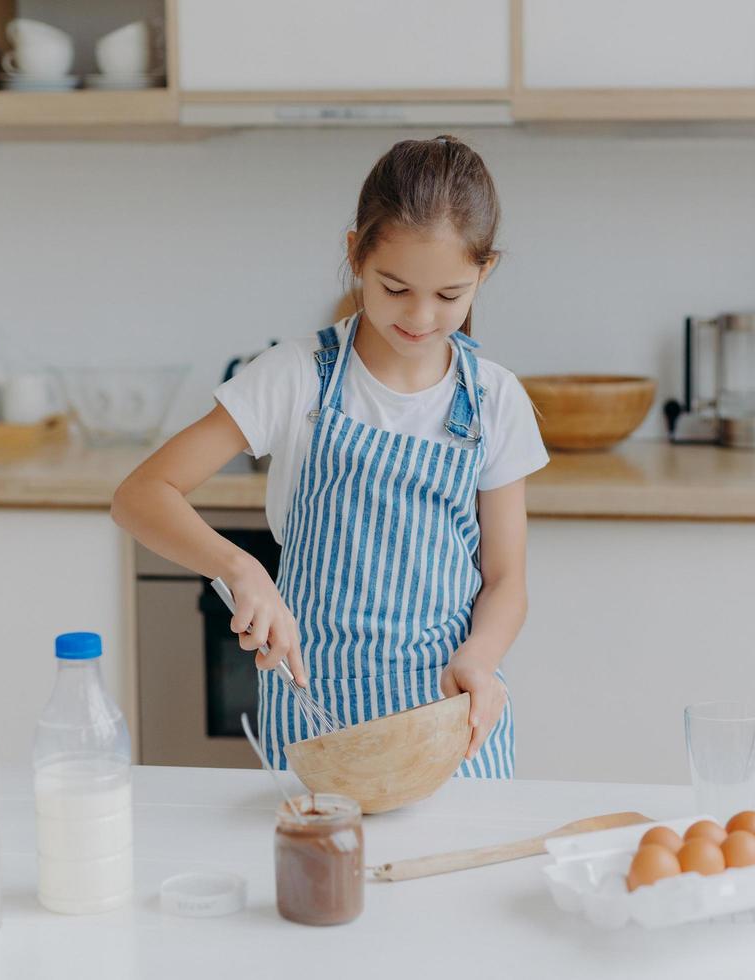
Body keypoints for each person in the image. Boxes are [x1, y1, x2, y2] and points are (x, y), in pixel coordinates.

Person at [112, 135, 548, 777]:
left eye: (450, 295)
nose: (422, 317)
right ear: (355, 256)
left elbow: (506, 579)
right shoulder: (295, 376)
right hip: (318, 717)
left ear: (485, 273)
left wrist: (479, 658)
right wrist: (243, 570)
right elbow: (140, 495)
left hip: (450, 725)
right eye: (395, 287)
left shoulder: (494, 399)